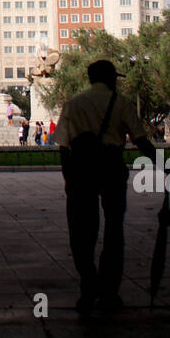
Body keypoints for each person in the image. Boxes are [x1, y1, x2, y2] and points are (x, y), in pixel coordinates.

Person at [55, 60, 155, 315]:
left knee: (81, 231)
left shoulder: (73, 104)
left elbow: (64, 147)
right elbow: (140, 138)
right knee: (113, 231)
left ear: (90, 78)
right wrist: (162, 163)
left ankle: (88, 286)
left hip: (81, 169)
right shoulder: (120, 103)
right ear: (111, 78)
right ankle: (109, 291)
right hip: (111, 166)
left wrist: (69, 177)